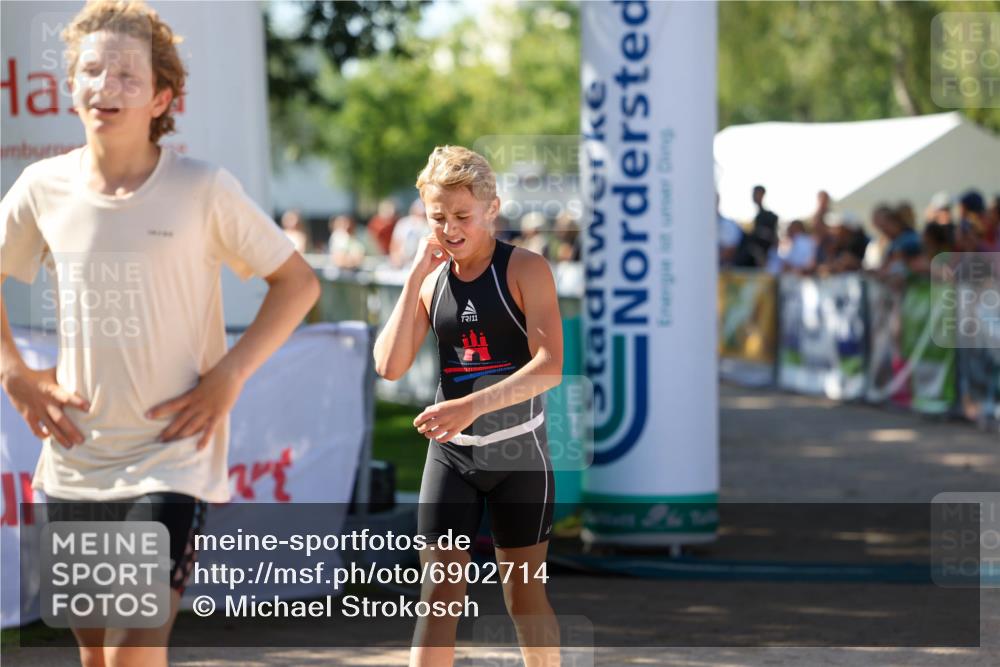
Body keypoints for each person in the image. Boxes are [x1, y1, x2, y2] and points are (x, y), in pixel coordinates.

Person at [0, 3, 320, 665]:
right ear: (70, 84)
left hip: (171, 455)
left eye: (127, 75)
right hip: (75, 456)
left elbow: (298, 283)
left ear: (161, 99)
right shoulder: (40, 188)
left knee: (130, 649)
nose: (105, 86)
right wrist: (12, 371)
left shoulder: (203, 188)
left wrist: (229, 375)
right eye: (92, 70)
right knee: (96, 655)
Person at [373, 145, 562, 667]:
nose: (450, 229)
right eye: (438, 218)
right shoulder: (433, 281)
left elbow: (550, 366)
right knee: (437, 599)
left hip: (518, 456)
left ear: (491, 209)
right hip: (452, 457)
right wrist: (415, 275)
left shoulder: (526, 268)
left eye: (462, 216)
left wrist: (470, 406)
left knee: (523, 598)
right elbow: (388, 365)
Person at [734, 184, 778, 267]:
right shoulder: (758, 216)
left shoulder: (769, 216)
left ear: (762, 195)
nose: (754, 196)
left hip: (760, 256)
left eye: (756, 193)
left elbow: (771, 237)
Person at [390, 199, 431, 269]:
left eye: (424, 214)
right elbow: (394, 247)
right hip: (404, 266)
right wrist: (397, 260)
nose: (420, 217)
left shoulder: (430, 227)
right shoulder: (403, 224)